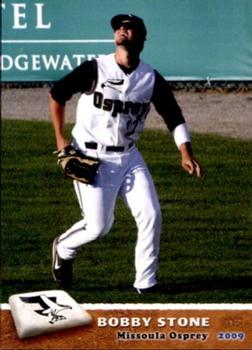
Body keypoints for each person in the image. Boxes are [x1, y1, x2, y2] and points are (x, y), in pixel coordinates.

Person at [50, 14, 202, 294]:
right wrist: (62, 144)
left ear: (142, 38)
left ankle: (146, 282)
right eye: (119, 27)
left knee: (151, 214)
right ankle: (64, 247)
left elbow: (173, 115)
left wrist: (185, 151)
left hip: (130, 156)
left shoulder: (150, 78)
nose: (122, 30)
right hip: (92, 156)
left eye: (129, 28)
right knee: (98, 228)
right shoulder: (96, 68)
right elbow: (58, 94)